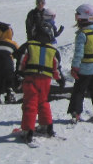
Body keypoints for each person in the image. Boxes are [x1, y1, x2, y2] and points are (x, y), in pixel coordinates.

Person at [16, 15, 64, 143]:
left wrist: (19, 74)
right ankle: (46, 126)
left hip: (31, 78)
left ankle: (27, 130)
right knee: (43, 102)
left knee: (30, 103)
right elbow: (56, 67)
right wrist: (59, 79)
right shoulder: (52, 50)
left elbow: (22, 60)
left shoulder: (29, 46)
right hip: (45, 81)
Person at [68, 4, 93, 123]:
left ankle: (75, 113)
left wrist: (75, 67)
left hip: (84, 69)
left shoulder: (82, 34)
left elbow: (78, 53)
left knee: (79, 91)